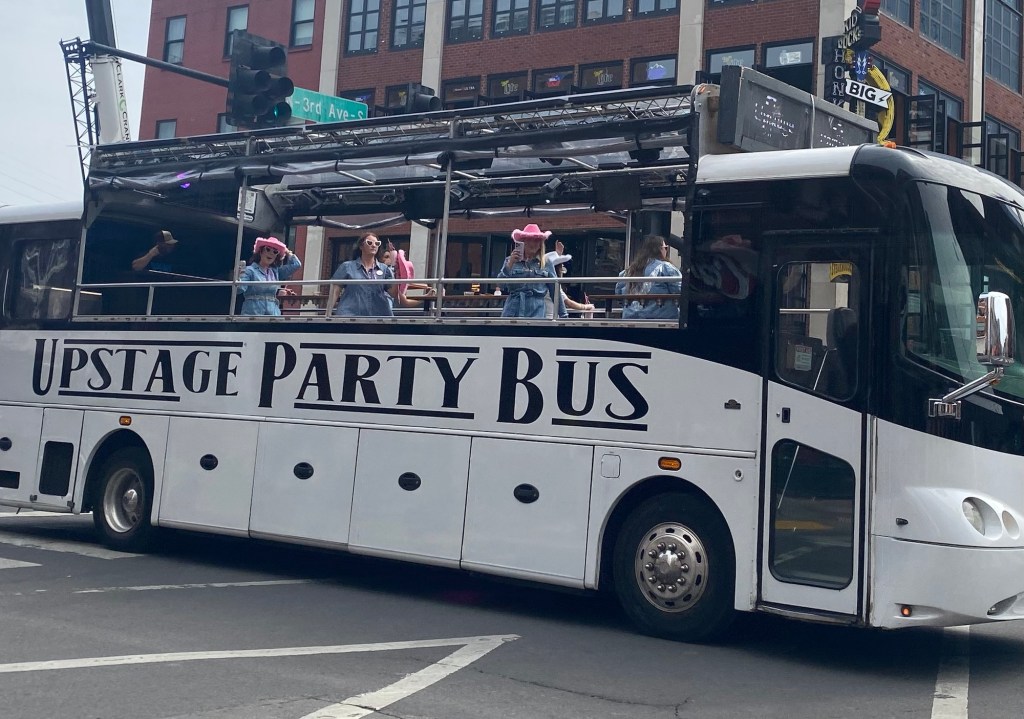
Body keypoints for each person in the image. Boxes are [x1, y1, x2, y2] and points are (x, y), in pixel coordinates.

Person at [497, 223, 567, 319]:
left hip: (537, 313)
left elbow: (555, 291)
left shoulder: (546, 263)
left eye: (537, 240)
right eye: (529, 240)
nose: (533, 244)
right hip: (512, 312)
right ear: (522, 242)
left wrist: (564, 315)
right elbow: (500, 284)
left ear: (540, 244)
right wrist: (509, 264)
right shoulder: (510, 260)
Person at [328, 232, 396, 317]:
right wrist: (328, 313)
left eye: (377, 243)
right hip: (350, 314)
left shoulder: (384, 269)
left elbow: (393, 293)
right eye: (369, 243)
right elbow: (335, 291)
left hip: (378, 315)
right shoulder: (347, 266)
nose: (374, 245)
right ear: (361, 246)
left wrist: (399, 275)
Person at [615, 235, 682, 320]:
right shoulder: (666, 268)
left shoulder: (629, 271)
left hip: (630, 318)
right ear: (660, 249)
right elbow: (680, 291)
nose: (666, 251)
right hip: (660, 318)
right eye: (665, 248)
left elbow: (618, 294)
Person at [236, 236, 301, 316]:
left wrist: (286, 251)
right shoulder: (250, 270)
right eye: (268, 249)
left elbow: (296, 264)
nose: (271, 253)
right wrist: (239, 277)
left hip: (273, 315)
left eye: (275, 252)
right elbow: (239, 289)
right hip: (253, 314)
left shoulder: (275, 272)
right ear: (261, 251)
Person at [545, 241, 595, 317]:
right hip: (551, 319)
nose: (563, 270)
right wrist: (587, 307)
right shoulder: (554, 284)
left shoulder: (543, 282)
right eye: (561, 267)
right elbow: (569, 303)